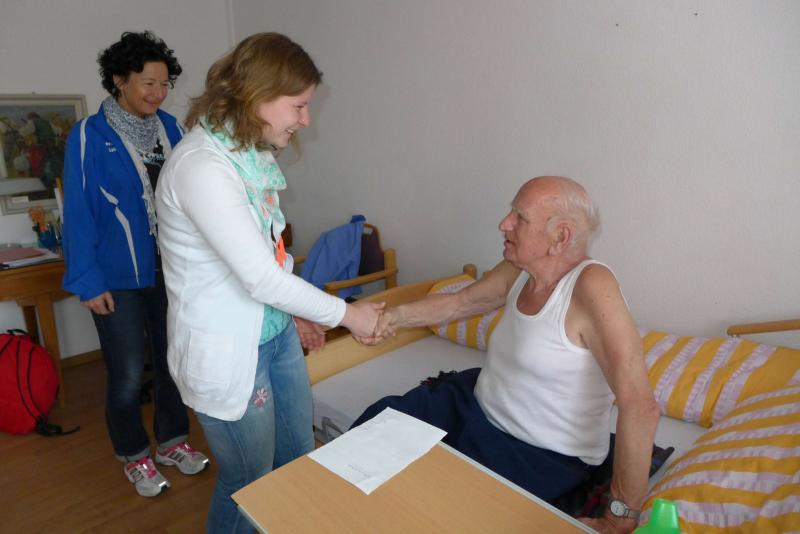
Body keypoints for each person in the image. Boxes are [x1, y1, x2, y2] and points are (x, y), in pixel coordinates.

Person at [154, 32, 382, 533]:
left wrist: (295, 312)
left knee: (296, 460)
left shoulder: (250, 155)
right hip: (230, 352)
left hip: (273, 335)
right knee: (251, 482)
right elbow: (259, 277)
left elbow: (270, 255)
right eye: (298, 106)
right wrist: (350, 315)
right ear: (257, 95)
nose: (306, 120)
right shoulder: (202, 168)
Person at [356, 176, 660, 534]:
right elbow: (460, 303)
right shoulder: (521, 268)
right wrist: (392, 317)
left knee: (429, 507)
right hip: (474, 407)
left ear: (560, 236)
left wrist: (620, 516)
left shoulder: (592, 286)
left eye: (520, 217)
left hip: (536, 452)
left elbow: (640, 405)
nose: (504, 223)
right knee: (373, 430)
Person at [62, 31, 208, 498]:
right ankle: (133, 454)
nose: (159, 93)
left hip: (172, 271)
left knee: (172, 364)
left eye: (165, 84)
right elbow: (79, 211)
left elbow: (191, 199)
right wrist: (88, 281)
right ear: (119, 80)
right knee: (126, 375)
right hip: (116, 279)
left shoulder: (172, 130)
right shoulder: (89, 135)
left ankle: (173, 442)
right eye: (148, 83)